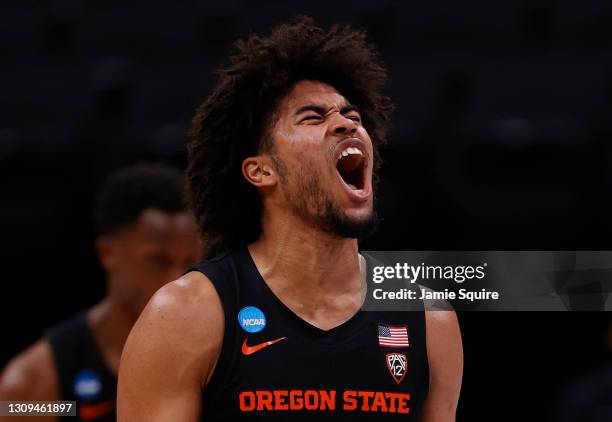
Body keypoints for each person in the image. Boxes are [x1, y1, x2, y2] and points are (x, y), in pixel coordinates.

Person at [118, 17, 463, 421]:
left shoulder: (428, 319)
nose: (346, 123)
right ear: (261, 171)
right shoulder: (185, 314)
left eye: (352, 115)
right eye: (313, 118)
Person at [0, 163, 202, 421]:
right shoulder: (34, 384)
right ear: (107, 254)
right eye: (158, 261)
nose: (177, 280)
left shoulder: (217, 354)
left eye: (189, 264)